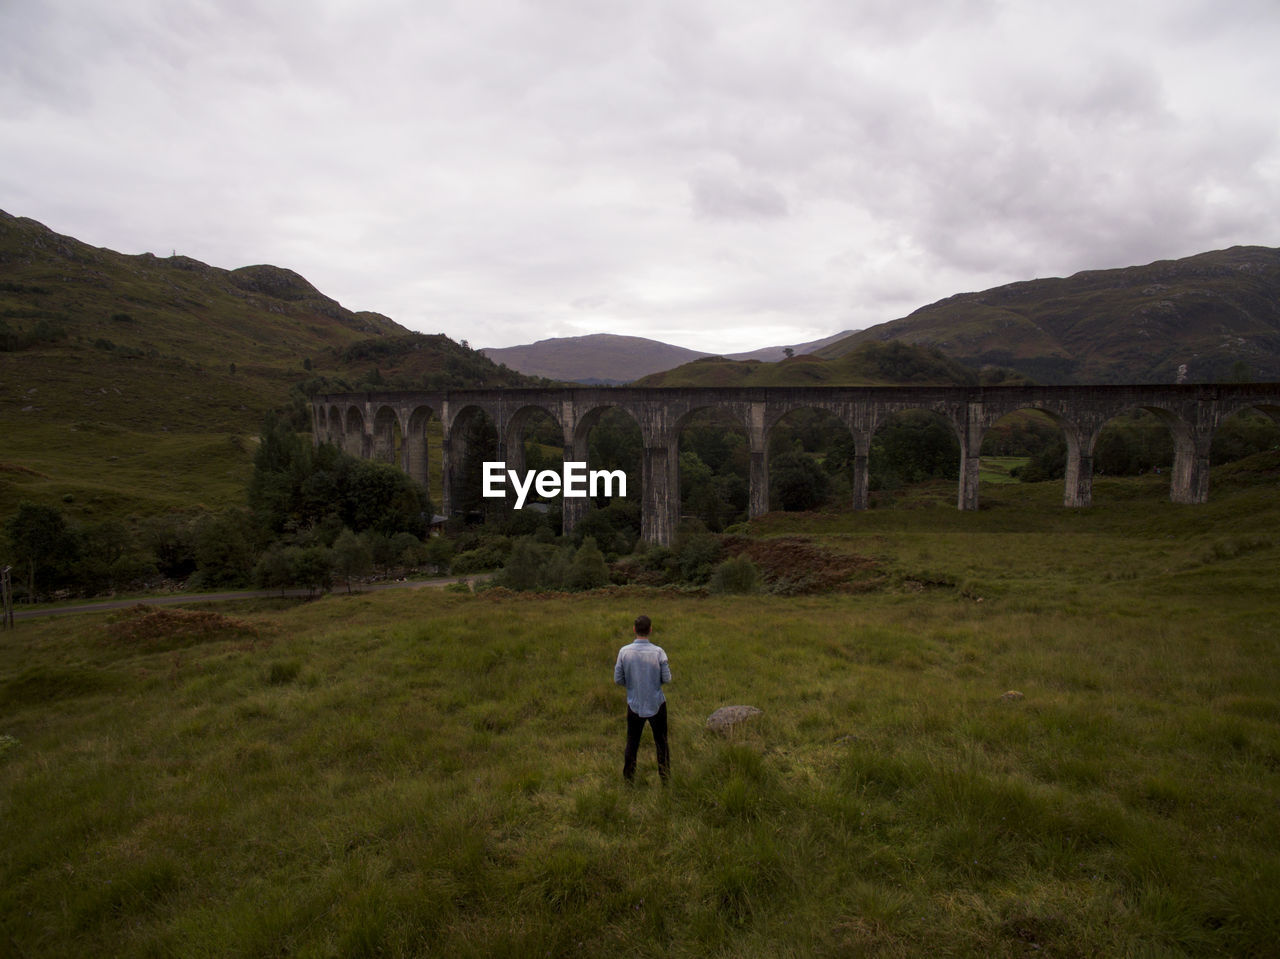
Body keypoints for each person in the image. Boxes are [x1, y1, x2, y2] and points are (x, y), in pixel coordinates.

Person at [613, 614, 671, 784]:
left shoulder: (624, 652)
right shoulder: (658, 652)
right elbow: (667, 678)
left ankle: (629, 780)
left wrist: (632, 685)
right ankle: (665, 780)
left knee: (632, 742)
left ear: (634, 630)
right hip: (657, 703)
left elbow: (618, 679)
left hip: (634, 704)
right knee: (661, 742)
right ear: (650, 630)